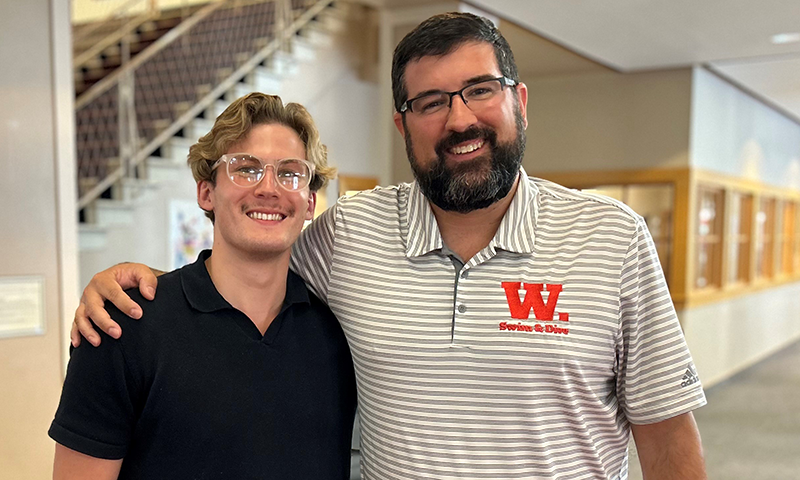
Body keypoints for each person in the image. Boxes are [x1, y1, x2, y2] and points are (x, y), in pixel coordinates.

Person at [71, 13, 707, 480]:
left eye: (480, 90)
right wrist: (140, 282)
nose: (459, 120)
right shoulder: (348, 234)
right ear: (402, 123)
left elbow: (669, 437)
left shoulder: (612, 237)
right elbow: (248, 259)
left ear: (518, 99)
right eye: (430, 102)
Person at [50, 93, 357, 480]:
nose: (269, 187)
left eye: (290, 172)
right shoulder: (124, 327)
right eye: (245, 169)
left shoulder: (338, 333)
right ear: (206, 192)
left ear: (310, 202)